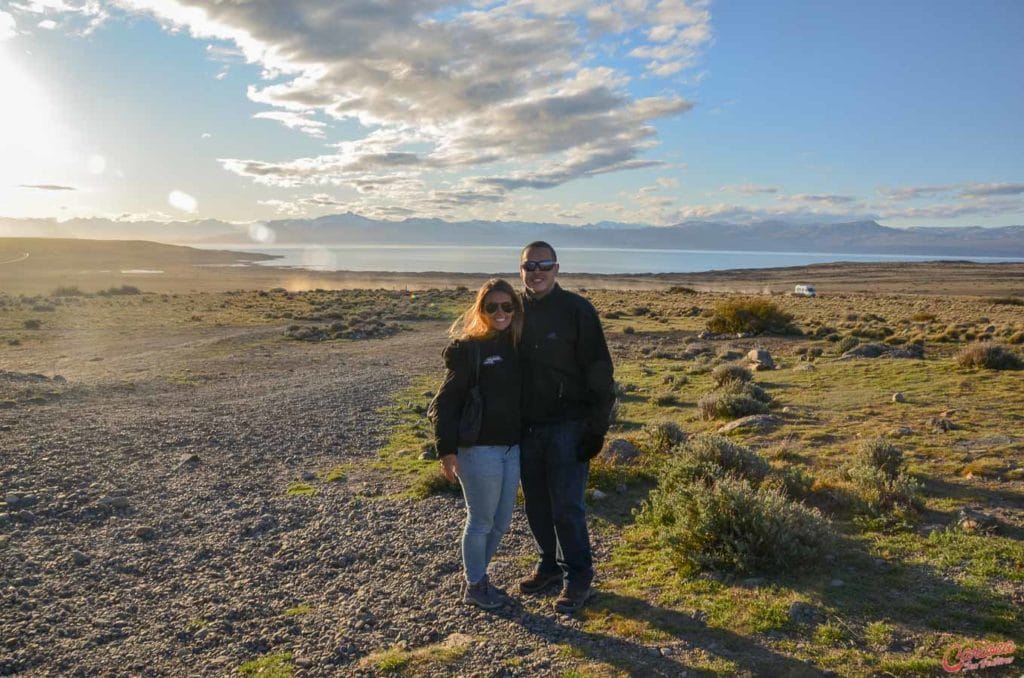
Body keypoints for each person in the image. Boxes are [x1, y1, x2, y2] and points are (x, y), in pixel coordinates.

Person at [516, 241, 615, 614]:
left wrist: (596, 428)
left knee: (567, 507)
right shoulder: (514, 309)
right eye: (530, 266)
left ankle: (579, 576)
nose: (537, 272)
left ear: (557, 269)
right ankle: (548, 566)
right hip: (527, 428)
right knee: (537, 504)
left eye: (544, 265)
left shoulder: (577, 310)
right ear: (520, 269)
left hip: (568, 427)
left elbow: (600, 370)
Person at [430, 278, 524, 609]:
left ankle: (478, 576)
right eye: (492, 306)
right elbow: (445, 402)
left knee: (501, 522)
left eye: (507, 306)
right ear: (481, 310)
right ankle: (475, 584)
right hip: (478, 449)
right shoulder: (468, 350)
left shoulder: (517, 346)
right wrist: (447, 451)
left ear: (515, 308)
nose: (500, 312)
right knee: (481, 520)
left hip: (512, 448)